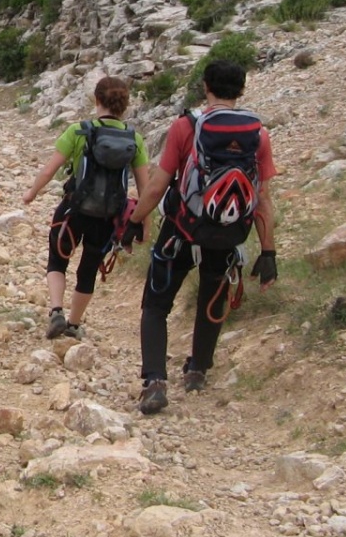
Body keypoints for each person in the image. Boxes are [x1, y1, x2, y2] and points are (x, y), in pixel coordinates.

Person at [128, 60, 278, 415]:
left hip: (180, 231)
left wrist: (135, 220)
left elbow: (158, 186)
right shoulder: (259, 135)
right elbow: (263, 199)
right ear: (241, 90)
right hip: (226, 234)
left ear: (205, 86)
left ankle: (155, 381)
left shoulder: (186, 127)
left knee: (155, 305)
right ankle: (197, 370)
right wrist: (268, 252)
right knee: (212, 300)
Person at [22, 76, 150, 341]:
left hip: (74, 210)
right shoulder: (134, 139)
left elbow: (50, 169)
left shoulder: (79, 131)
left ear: (97, 100)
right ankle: (74, 324)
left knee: (58, 260)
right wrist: (144, 225)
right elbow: (146, 188)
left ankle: (56, 310)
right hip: (108, 217)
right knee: (88, 269)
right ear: (124, 105)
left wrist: (32, 193)